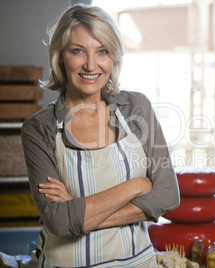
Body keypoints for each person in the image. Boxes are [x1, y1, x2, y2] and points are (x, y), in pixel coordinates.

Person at [21, 4, 180, 267]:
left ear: (114, 58)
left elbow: (167, 195)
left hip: (138, 262)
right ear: (61, 56)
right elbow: (59, 222)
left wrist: (79, 215)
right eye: (77, 51)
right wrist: (136, 186)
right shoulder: (39, 128)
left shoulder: (137, 108)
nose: (90, 65)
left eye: (102, 51)